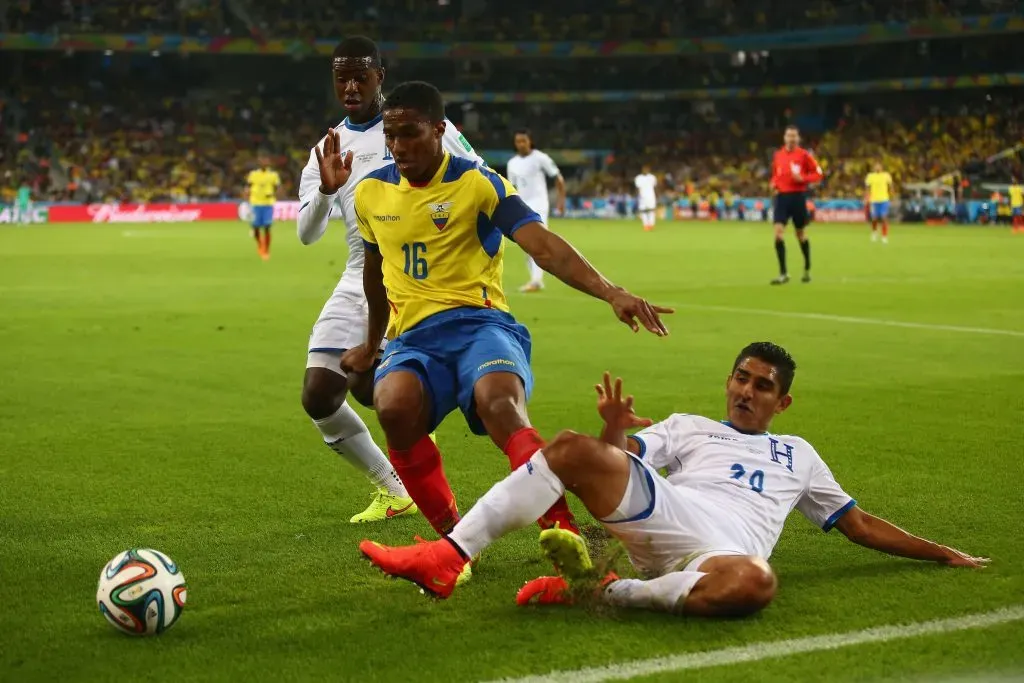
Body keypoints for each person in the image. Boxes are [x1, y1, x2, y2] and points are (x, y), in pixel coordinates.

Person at [361, 342, 988, 613]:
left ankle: (605, 592)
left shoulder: (799, 454)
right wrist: (611, 429)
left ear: (782, 403)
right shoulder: (689, 427)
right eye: (741, 378)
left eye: (762, 386)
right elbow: (613, 462)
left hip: (724, 552)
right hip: (667, 512)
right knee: (573, 448)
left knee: (756, 583)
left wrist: (943, 553)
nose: (746, 390)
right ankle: (448, 555)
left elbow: (859, 524)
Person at [341, 80, 672, 542]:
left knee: (500, 402)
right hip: (413, 338)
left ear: (439, 130)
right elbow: (374, 276)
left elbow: (545, 247)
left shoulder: (479, 184)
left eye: (411, 133)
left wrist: (611, 291)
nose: (398, 146)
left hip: (481, 324)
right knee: (393, 407)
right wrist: (372, 344)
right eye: (391, 136)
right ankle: (453, 540)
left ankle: (564, 537)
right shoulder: (370, 194)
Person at [296, 37, 483, 524]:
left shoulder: (413, 122)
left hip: (415, 274)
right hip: (359, 272)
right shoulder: (327, 147)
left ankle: (429, 467)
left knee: (369, 387)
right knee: (319, 395)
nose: (351, 86)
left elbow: (478, 173)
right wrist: (324, 190)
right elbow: (306, 233)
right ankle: (394, 489)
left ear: (381, 74)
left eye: (361, 75)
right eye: (342, 77)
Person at [506, 129, 566, 293]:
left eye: (524, 141)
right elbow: (513, 187)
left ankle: (536, 280)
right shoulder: (512, 163)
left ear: (530, 141)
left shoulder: (540, 158)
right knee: (525, 243)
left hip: (539, 204)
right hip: (522, 205)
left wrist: (561, 200)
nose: (521, 144)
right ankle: (536, 278)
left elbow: (558, 178)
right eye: (518, 141)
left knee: (537, 242)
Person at [770, 126, 822, 285]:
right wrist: (773, 183)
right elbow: (775, 174)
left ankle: (807, 268)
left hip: (798, 197)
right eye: (788, 136)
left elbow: (818, 173)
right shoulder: (778, 155)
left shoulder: (804, 155)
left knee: (800, 234)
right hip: (781, 197)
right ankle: (783, 273)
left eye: (794, 136)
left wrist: (803, 179)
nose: (791, 139)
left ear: (798, 139)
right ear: (784, 138)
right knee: (778, 234)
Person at [246, 155, 280, 260]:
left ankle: (266, 249)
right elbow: (249, 186)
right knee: (256, 227)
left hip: (268, 204)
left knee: (267, 226)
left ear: (269, 163)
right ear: (259, 163)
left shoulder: (273, 175)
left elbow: (276, 187)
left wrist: (272, 194)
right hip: (255, 203)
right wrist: (247, 196)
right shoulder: (253, 174)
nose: (264, 163)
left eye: (266, 161)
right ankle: (260, 244)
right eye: (262, 161)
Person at [865, 161, 894, 243]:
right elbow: (867, 188)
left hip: (884, 199)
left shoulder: (886, 175)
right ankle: (874, 232)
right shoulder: (870, 176)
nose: (877, 168)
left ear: (882, 167)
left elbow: (891, 186)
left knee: (884, 217)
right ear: (874, 168)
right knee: (874, 218)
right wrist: (867, 197)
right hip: (874, 200)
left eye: (879, 166)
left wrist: (892, 196)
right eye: (876, 166)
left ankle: (884, 236)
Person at [634, 165, 658, 232]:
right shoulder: (638, 178)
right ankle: (646, 225)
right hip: (642, 196)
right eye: (644, 169)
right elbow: (637, 188)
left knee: (651, 210)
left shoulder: (652, 177)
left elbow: (655, 187)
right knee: (643, 211)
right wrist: (638, 195)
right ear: (642, 170)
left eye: (647, 169)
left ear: (649, 169)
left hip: (651, 196)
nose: (645, 170)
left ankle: (651, 224)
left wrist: (656, 195)